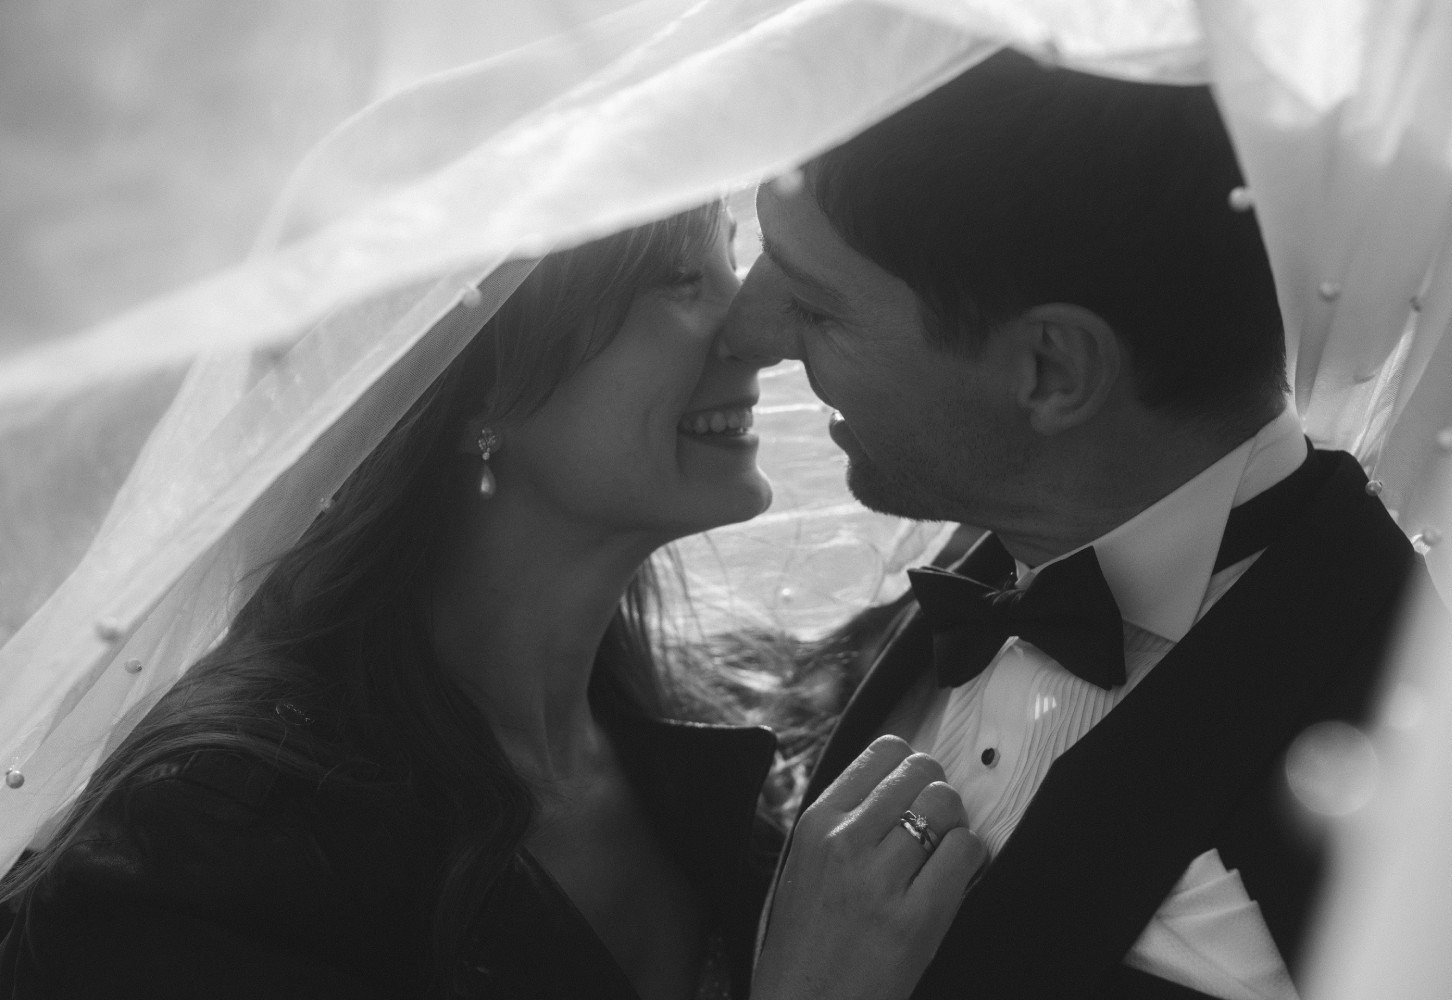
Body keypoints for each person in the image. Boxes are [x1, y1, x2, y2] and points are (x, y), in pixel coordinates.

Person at [0, 205, 984, 1000]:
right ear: (477, 383)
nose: (756, 332)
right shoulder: (202, 853)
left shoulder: (713, 725)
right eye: (682, 278)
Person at [728, 51, 1433, 999]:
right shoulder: (961, 579)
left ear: (1052, 372)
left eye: (815, 303)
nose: (750, 329)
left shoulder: (1426, 770)